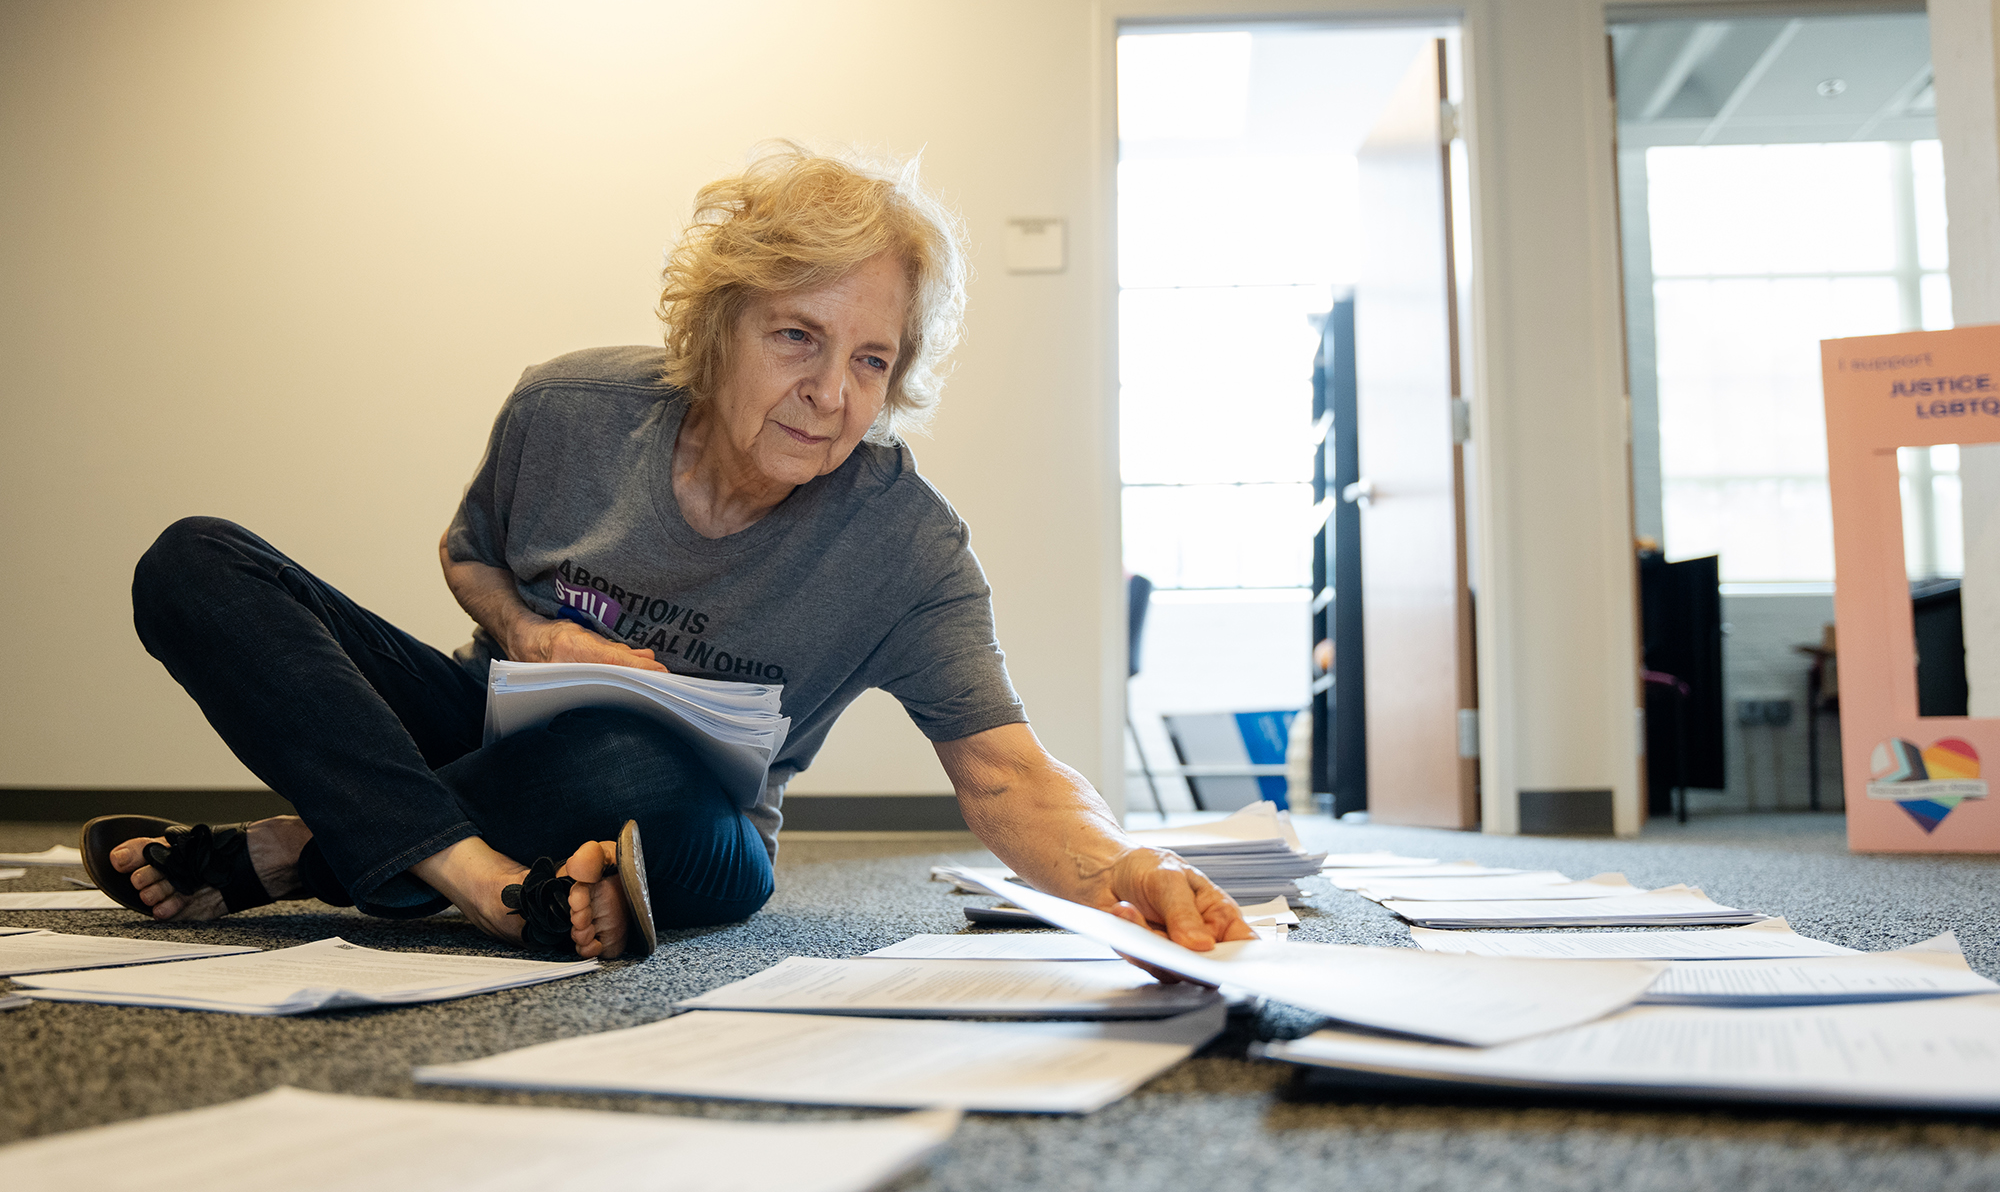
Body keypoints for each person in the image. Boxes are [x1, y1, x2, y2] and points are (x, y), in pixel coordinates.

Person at [98, 144, 1253, 960]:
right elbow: (469, 555)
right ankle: (482, 881)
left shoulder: (906, 543)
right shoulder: (565, 408)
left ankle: (303, 847)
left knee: (626, 759)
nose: (828, 393)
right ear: (716, 325)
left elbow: (1010, 773)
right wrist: (532, 632)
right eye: (797, 335)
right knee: (193, 562)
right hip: (488, 721)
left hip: (692, 823)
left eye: (868, 360)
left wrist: (1121, 872)